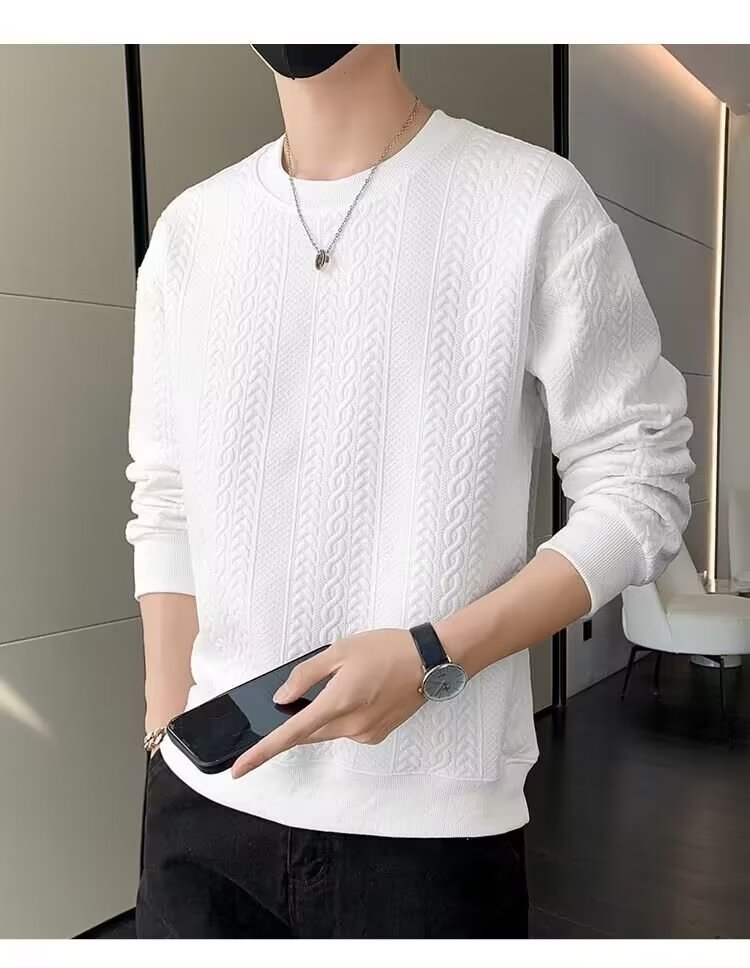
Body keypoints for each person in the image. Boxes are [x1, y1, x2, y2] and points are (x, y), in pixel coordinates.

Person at [126, 44, 694, 939]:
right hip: (202, 813)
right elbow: (166, 496)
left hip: (428, 834)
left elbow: (642, 482)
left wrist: (436, 656)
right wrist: (166, 728)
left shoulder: (529, 200)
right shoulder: (190, 233)